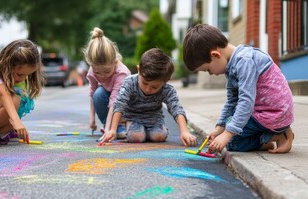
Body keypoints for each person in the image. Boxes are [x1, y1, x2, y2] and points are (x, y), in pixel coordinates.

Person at [182, 24, 294, 153]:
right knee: (230, 129)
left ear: (215, 55)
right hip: (266, 112)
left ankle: (279, 135)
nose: (211, 73)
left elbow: (246, 101)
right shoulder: (232, 65)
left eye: (207, 69)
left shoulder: (244, 61)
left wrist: (227, 134)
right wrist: (220, 128)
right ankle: (270, 135)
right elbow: (232, 101)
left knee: (232, 141)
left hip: (274, 113)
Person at [100, 48, 197, 146]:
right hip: (133, 117)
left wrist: (185, 131)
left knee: (159, 137)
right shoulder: (129, 82)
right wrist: (112, 129)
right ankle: (126, 126)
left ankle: (143, 131)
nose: (148, 89)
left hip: (154, 119)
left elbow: (176, 108)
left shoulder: (167, 89)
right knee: (137, 137)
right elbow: (120, 104)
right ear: (139, 70)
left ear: (165, 81)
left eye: (154, 87)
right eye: (144, 83)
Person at [82, 27, 131, 139]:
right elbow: (92, 95)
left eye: (107, 71)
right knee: (98, 94)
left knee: (114, 100)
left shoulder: (121, 73)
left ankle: (120, 125)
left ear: (115, 62)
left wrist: (109, 130)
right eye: (97, 72)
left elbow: (115, 101)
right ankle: (109, 125)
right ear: (91, 65)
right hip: (110, 98)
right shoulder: (92, 72)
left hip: (127, 102)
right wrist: (92, 120)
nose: (102, 76)